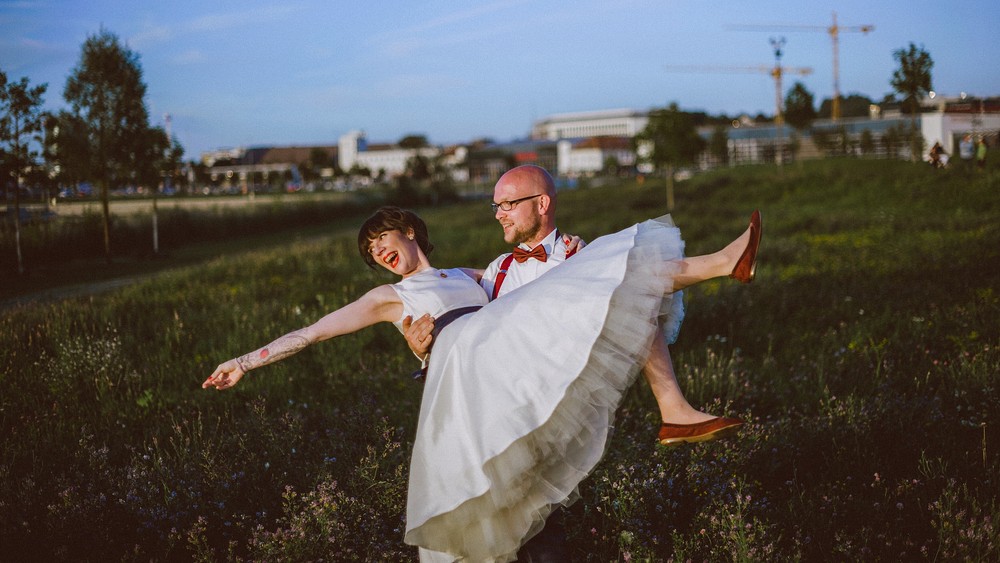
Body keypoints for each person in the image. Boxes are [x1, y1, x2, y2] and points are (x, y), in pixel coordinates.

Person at [203, 202, 760, 562]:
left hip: (500, 370)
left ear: (411, 232)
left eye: (382, 238)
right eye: (371, 252)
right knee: (489, 509)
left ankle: (679, 400)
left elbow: (535, 277)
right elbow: (316, 332)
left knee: (610, 283)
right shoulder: (389, 299)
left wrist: (573, 255)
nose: (378, 252)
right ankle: (720, 267)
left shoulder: (477, 275)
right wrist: (246, 362)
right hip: (463, 375)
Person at [404, 165, 751, 449]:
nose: (498, 215)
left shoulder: (575, 254)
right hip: (519, 387)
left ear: (541, 204)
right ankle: (723, 264)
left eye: (507, 204)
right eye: (495, 206)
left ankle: (676, 410)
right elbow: (460, 316)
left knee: (629, 291)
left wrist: (583, 260)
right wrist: (424, 349)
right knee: (624, 282)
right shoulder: (498, 270)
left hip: (570, 375)